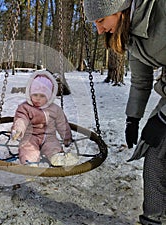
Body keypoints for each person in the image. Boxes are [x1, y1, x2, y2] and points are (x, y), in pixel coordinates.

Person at [83, 0, 166, 224]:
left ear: (119, 10)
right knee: (156, 155)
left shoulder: (161, 10)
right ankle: (153, 219)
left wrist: (163, 118)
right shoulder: (129, 34)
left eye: (101, 20)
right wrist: (133, 118)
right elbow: (141, 80)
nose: (99, 29)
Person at [11, 71, 78, 167]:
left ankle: (57, 158)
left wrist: (66, 137)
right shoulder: (25, 107)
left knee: (54, 147)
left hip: (49, 137)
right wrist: (18, 130)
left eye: (42, 96)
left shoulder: (55, 109)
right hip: (30, 136)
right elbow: (21, 119)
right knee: (27, 148)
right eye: (35, 95)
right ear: (30, 94)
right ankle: (30, 163)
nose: (38, 98)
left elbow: (62, 124)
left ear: (49, 96)